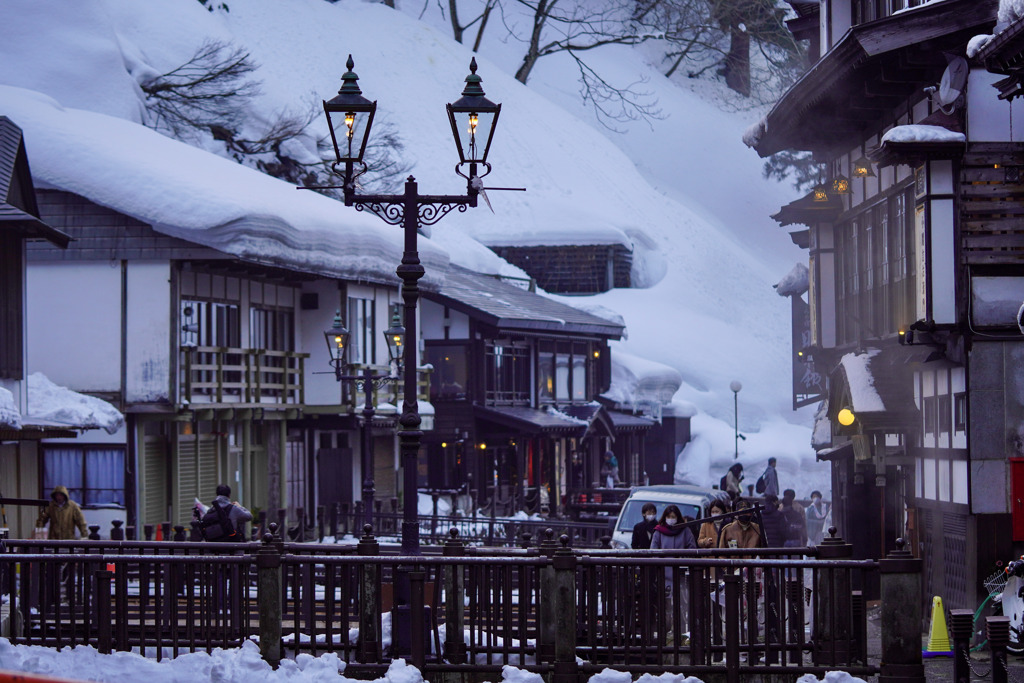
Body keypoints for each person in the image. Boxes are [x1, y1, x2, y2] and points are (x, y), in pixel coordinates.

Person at [651, 504, 697, 641]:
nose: (671, 519)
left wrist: (683, 559)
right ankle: (664, 634)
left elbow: (692, 548)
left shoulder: (685, 530)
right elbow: (653, 551)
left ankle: (680, 634)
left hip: (681, 574)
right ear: (665, 517)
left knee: (681, 606)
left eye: (674, 517)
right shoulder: (658, 531)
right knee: (665, 607)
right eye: (669, 517)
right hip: (664, 574)